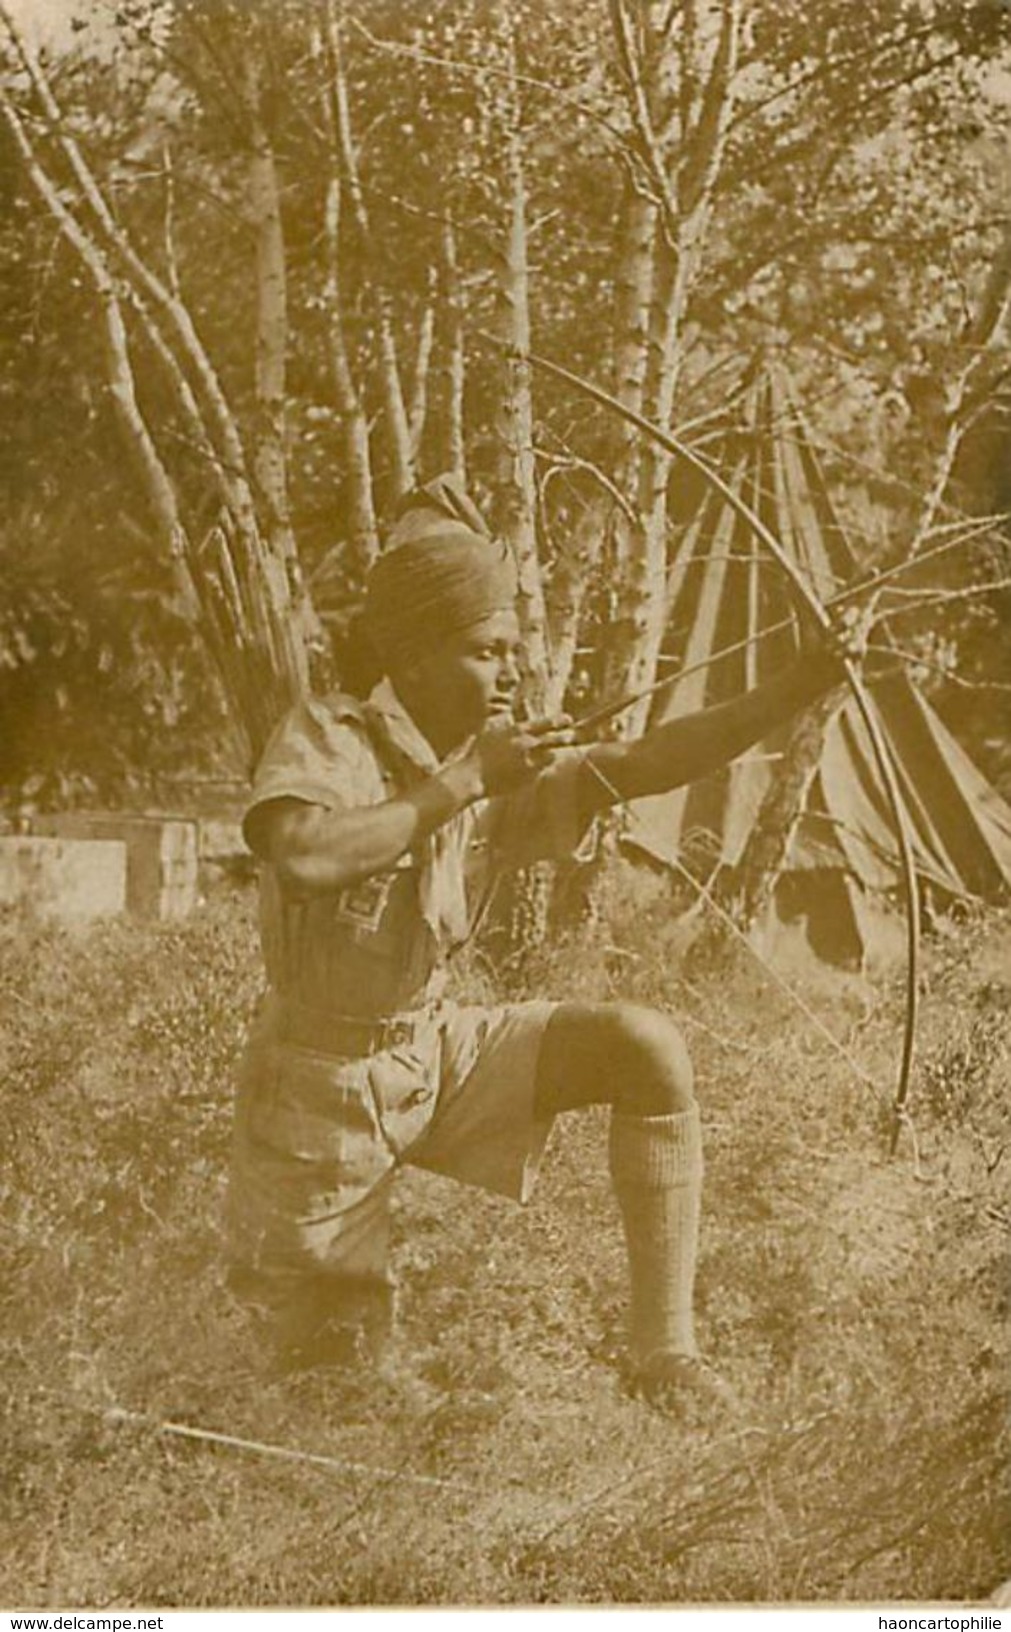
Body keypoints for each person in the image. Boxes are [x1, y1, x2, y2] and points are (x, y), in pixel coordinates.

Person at [226, 474, 844, 1408]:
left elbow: (641, 764)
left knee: (642, 1047)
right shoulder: (333, 734)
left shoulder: (488, 759)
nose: (511, 673)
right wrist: (463, 783)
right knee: (332, 1389)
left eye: (513, 650)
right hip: (316, 1091)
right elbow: (304, 855)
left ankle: (663, 1356)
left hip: (429, 1051)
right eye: (486, 651)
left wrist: (797, 685)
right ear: (417, 656)